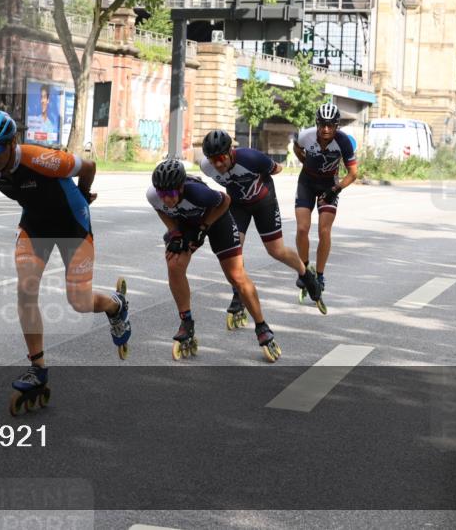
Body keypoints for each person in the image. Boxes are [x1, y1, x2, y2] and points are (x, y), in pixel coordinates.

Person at [0, 110, 131, 415]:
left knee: (79, 302)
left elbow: (89, 166)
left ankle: (116, 304)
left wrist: (83, 194)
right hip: (35, 225)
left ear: (12, 142)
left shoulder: (43, 159)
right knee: (25, 289)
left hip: (72, 224)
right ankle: (38, 368)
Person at [147, 158, 281, 362]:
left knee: (236, 275)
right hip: (187, 223)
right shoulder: (153, 195)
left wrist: (204, 227)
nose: (166, 199)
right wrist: (174, 232)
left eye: (171, 194)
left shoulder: (198, 193)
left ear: (181, 187)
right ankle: (186, 322)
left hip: (218, 221)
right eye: (162, 194)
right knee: (174, 263)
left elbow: (226, 201)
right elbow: (160, 210)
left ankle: (262, 326)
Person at [199, 130, 323, 321]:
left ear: (231, 151)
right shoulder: (206, 167)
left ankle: (306, 274)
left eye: (221, 158)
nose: (218, 164)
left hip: (264, 202)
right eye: (213, 160)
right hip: (238, 205)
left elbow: (278, 169)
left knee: (276, 251)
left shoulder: (251, 158)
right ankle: (239, 293)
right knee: (234, 248)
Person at [292, 103, 359, 295]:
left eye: (330, 125)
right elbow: (297, 148)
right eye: (322, 124)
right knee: (302, 228)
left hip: (329, 185)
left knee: (324, 230)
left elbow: (353, 173)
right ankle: (305, 271)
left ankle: (320, 275)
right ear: (317, 124)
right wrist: (305, 162)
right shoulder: (306, 136)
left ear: (337, 126)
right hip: (306, 183)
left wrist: (336, 189)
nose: (326, 129)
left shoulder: (343, 141)